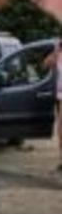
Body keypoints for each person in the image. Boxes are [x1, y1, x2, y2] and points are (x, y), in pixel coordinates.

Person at [42, 40, 62, 171]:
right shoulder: (58, 55)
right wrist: (55, 52)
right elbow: (45, 64)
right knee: (60, 131)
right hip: (60, 97)